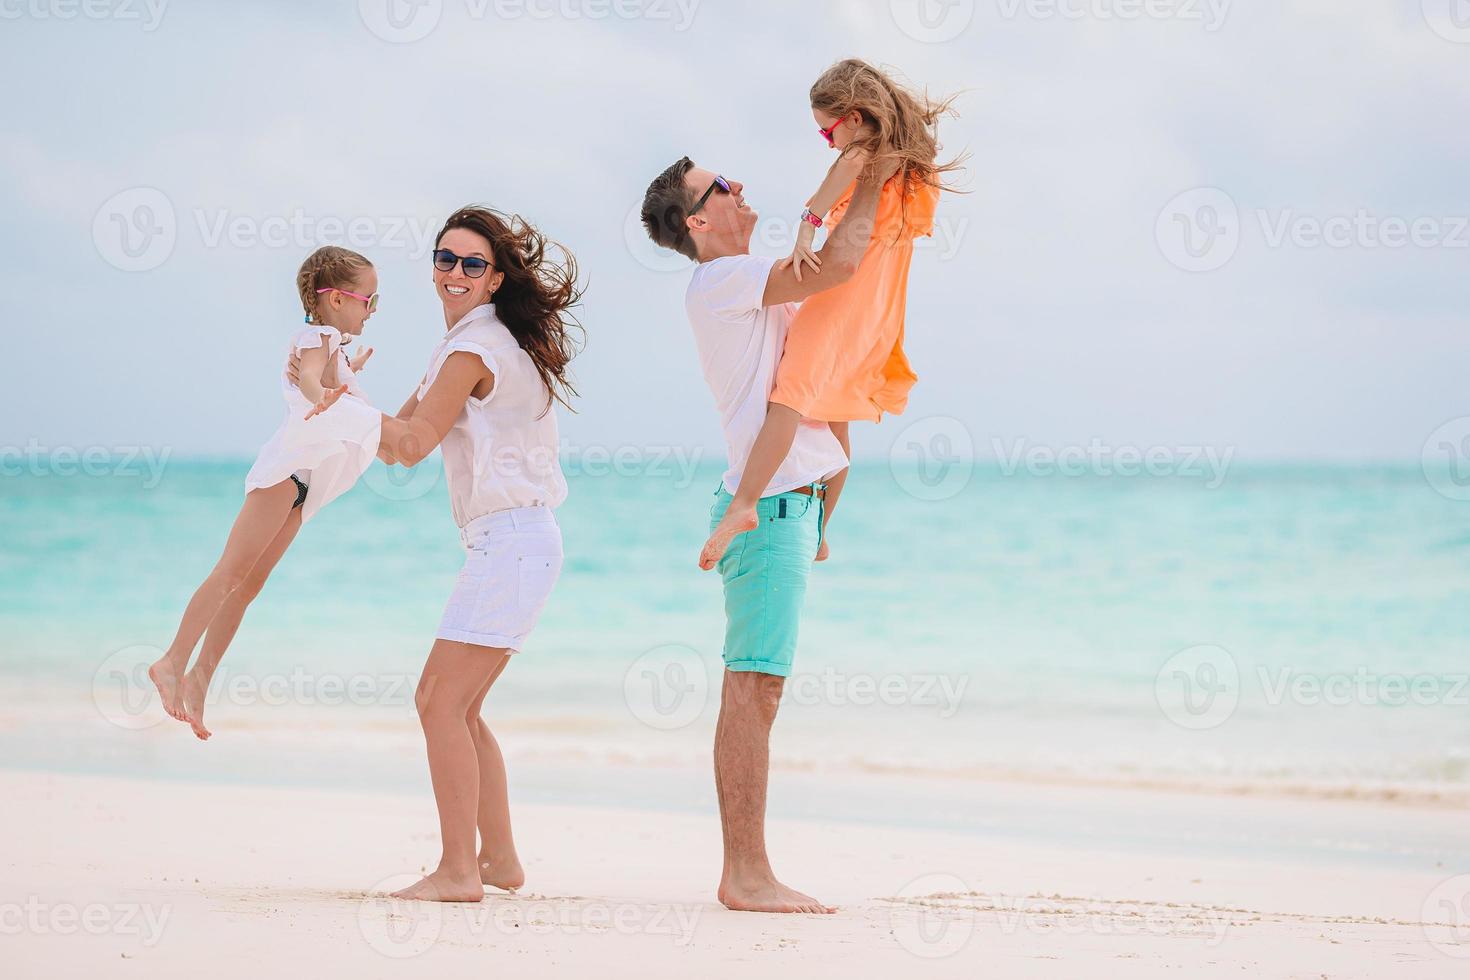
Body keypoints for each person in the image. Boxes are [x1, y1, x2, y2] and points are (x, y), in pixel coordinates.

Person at [639, 148, 894, 913]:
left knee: (759, 685)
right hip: (770, 504)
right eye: (722, 186)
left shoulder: (750, 287)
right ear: (698, 221)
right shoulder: (721, 280)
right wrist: (875, 172)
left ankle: (746, 870)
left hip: (793, 502)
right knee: (754, 688)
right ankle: (745, 874)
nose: (741, 186)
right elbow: (834, 268)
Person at [311, 207, 582, 903]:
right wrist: (337, 391)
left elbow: (406, 446)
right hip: (518, 541)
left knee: (438, 702)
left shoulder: (474, 350)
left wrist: (330, 397)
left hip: (513, 542)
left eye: (471, 264)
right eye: (444, 259)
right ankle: (497, 861)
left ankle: (459, 871)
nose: (454, 273)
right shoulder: (471, 344)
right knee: (459, 709)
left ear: (495, 278)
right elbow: (399, 437)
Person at [699, 58, 959, 570]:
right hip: (880, 306)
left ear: (856, 118)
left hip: (847, 298)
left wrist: (805, 228)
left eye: (827, 132)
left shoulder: (864, 151)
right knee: (836, 412)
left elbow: (838, 175)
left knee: (790, 396)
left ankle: (745, 504)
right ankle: (821, 528)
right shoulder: (909, 163)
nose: (829, 143)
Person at [148, 246, 381, 739]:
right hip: (285, 472)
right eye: (369, 299)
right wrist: (325, 397)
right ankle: (171, 661)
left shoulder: (331, 341)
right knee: (230, 572)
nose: (372, 309)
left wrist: (349, 371)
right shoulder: (316, 335)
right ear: (338, 299)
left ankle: (198, 678)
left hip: (304, 483)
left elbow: (329, 379)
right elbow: (312, 383)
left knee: (249, 587)